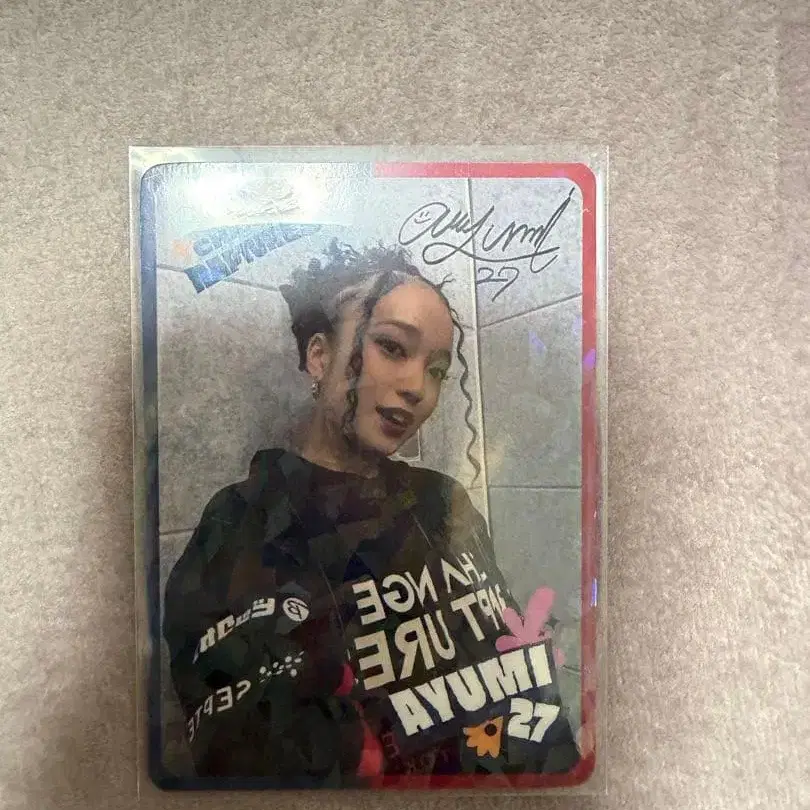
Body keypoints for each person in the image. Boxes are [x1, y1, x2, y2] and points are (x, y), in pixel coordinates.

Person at [162, 240, 579, 786]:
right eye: (392, 347)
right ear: (319, 356)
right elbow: (246, 749)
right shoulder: (242, 520)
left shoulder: (440, 500)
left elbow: (523, 677)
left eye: (437, 370)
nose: (418, 389)